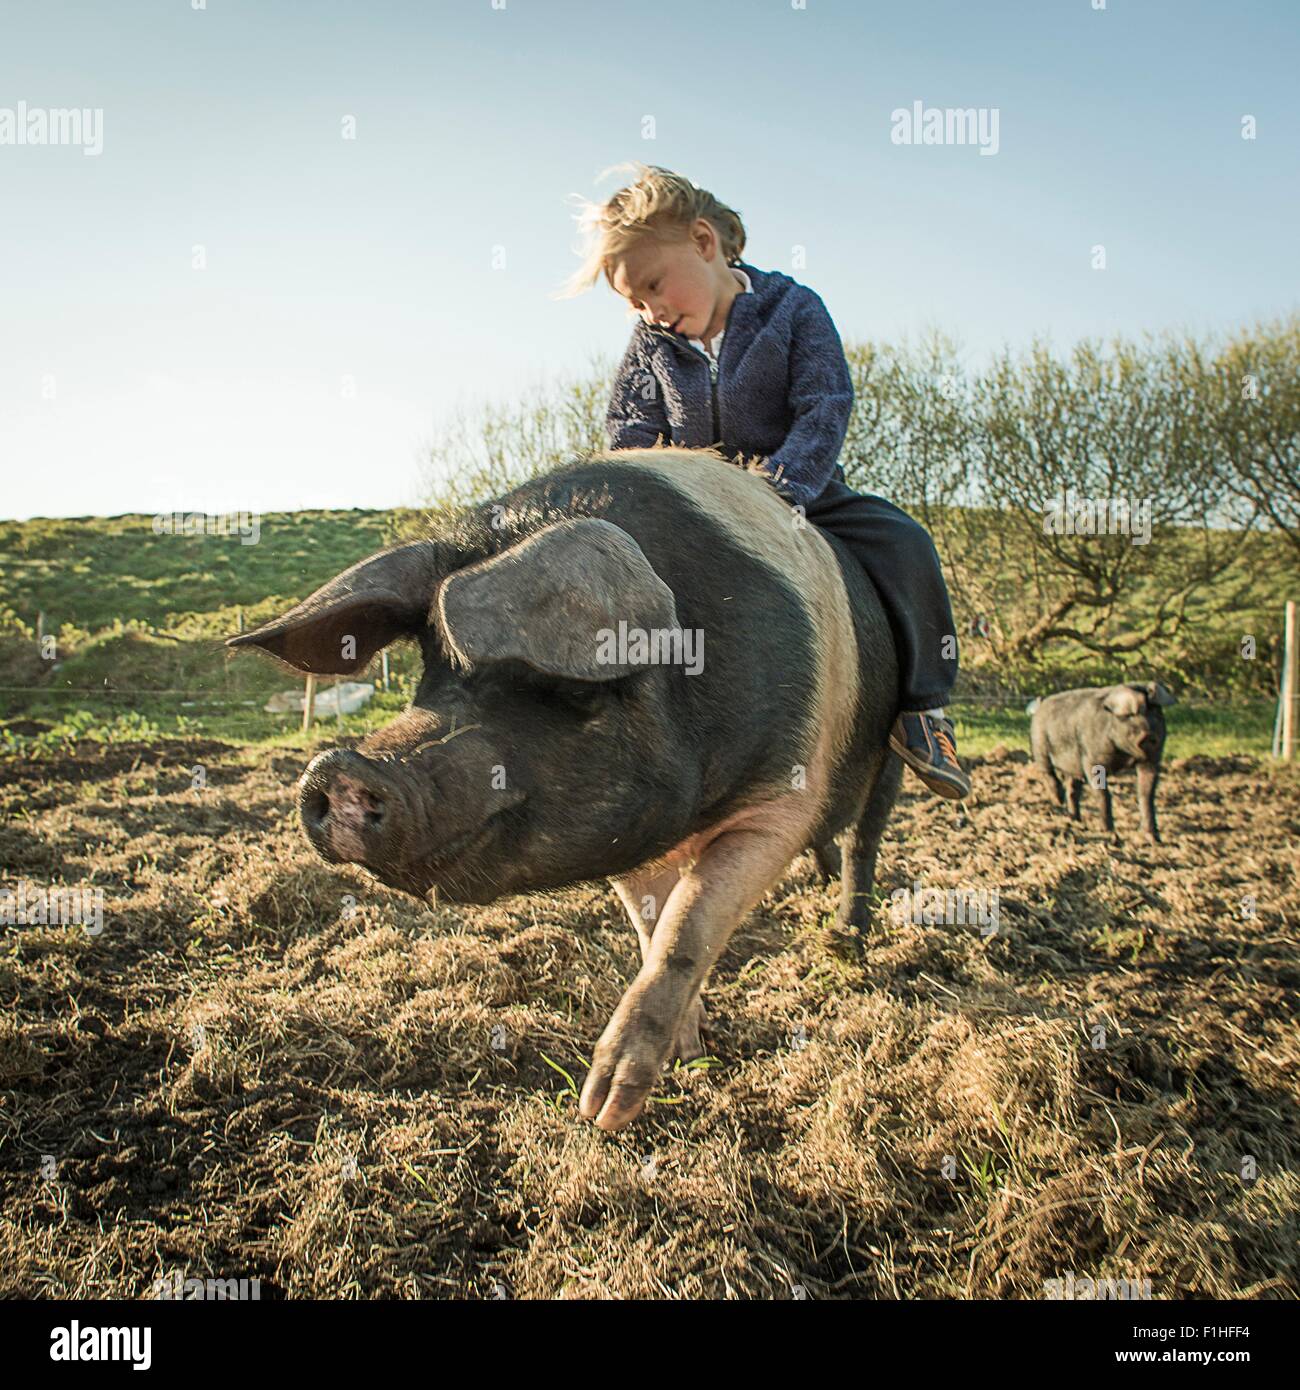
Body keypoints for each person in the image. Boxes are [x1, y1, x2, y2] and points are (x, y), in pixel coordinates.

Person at [559, 163, 969, 799]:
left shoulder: (794, 310)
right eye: (635, 302)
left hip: (803, 496)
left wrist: (780, 489)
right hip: (696, 510)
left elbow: (824, 404)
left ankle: (924, 709)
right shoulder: (649, 347)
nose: (651, 309)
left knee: (905, 540)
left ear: (704, 242)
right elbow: (631, 431)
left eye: (655, 285)